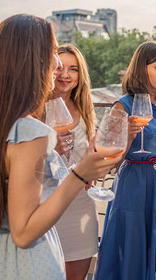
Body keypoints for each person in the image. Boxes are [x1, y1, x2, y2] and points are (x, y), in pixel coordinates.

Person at [0, 14, 121, 280]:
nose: (57, 62)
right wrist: (79, 176)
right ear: (30, 60)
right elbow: (24, 232)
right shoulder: (29, 131)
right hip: (26, 266)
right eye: (51, 52)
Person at [93, 41, 156, 280]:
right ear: (141, 68)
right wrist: (127, 136)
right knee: (132, 263)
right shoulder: (122, 105)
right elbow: (110, 162)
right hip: (134, 188)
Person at [49, 44, 98, 280]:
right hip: (47, 206)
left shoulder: (84, 108)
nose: (65, 75)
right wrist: (50, 148)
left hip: (80, 205)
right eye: (59, 68)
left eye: (73, 69)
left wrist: (93, 169)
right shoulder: (34, 109)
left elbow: (86, 154)